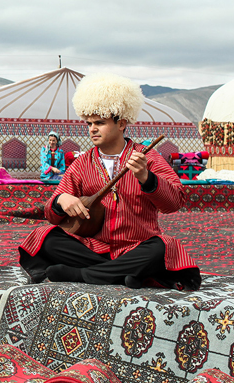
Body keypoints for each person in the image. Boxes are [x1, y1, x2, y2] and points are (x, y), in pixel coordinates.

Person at [18, 73, 201, 290]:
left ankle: (81, 274)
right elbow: (51, 213)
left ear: (121, 123)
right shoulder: (82, 163)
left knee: (164, 248)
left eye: (100, 122)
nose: (92, 129)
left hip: (138, 246)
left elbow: (175, 202)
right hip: (93, 248)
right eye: (89, 123)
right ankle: (125, 273)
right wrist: (61, 201)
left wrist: (146, 177)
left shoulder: (147, 157)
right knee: (44, 237)